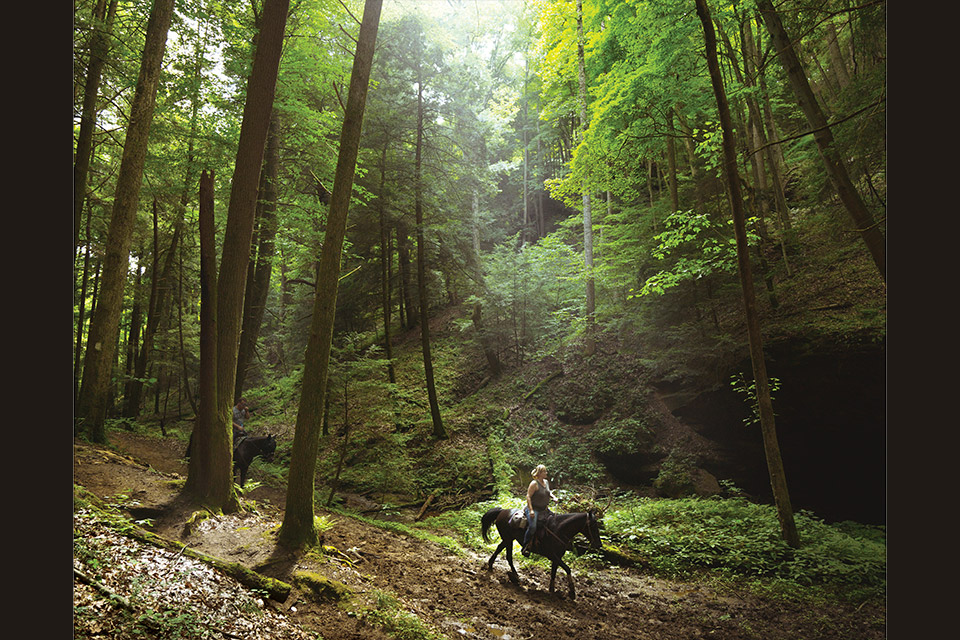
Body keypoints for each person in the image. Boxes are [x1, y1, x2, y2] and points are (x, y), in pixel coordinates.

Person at [522, 464, 555, 557]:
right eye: (544, 471)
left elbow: (548, 492)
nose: (546, 473)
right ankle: (525, 546)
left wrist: (553, 497)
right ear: (540, 473)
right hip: (534, 509)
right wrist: (531, 510)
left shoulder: (546, 482)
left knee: (554, 522)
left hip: (544, 509)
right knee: (532, 527)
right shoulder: (534, 483)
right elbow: (528, 496)